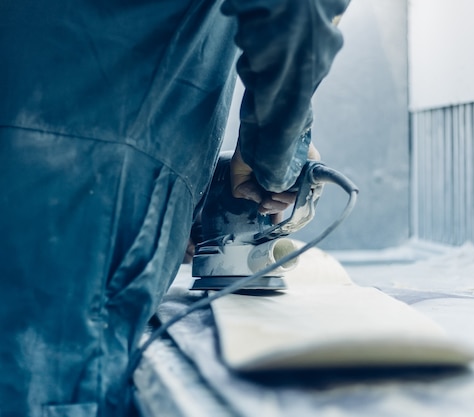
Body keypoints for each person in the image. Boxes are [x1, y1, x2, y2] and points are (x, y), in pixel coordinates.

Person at [0, 0, 349, 415]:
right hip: (87, 194)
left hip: (47, 162)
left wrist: (177, 199)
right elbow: (294, 11)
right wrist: (275, 157)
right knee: (48, 388)